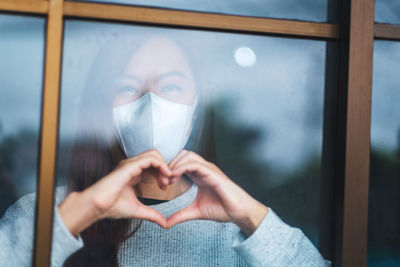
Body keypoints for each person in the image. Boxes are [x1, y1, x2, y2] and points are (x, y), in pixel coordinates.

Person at [0, 33, 330, 267]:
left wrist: (251, 216)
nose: (152, 103)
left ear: (196, 107)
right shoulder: (41, 215)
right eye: (128, 86)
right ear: (103, 107)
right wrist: (81, 211)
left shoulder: (243, 233)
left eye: (171, 86)